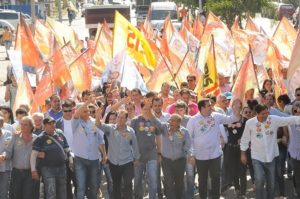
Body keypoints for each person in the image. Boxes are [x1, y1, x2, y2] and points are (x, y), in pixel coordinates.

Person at [240, 104, 300, 199]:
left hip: (271, 157)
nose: (266, 115)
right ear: (256, 114)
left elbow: (289, 120)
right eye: (263, 114)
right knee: (259, 180)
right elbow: (245, 139)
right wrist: (243, 153)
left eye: (267, 112)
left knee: (271, 183)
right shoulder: (250, 123)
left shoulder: (273, 119)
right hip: (257, 157)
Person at [187, 98, 242, 199]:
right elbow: (188, 138)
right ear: (202, 107)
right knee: (202, 179)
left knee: (216, 178)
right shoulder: (193, 120)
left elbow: (232, 119)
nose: (211, 107)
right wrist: (191, 154)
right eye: (209, 105)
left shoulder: (216, 116)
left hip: (215, 154)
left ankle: (216, 197)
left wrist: (237, 109)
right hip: (200, 156)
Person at [96, 110, 140, 199]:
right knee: (116, 185)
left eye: (122, 118)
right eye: (118, 117)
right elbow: (98, 125)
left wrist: (136, 158)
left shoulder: (130, 131)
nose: (119, 119)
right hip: (114, 163)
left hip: (127, 162)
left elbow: (135, 145)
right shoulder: (110, 128)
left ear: (126, 119)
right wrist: (97, 115)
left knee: (128, 184)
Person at [72, 97, 107, 199]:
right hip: (80, 159)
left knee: (94, 186)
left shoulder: (94, 121)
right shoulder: (75, 122)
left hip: (94, 159)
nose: (87, 112)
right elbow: (75, 115)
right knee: (81, 186)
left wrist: (104, 154)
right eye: (84, 111)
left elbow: (100, 139)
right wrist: (87, 102)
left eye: (88, 110)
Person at [31, 117, 72, 199]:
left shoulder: (60, 134)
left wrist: (70, 160)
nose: (52, 125)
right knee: (51, 192)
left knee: (62, 191)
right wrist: (33, 170)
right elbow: (33, 155)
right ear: (44, 125)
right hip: (47, 169)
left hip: (61, 167)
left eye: (53, 123)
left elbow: (67, 148)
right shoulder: (40, 138)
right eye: (49, 124)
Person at [131, 100, 162, 199]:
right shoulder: (135, 121)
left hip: (152, 154)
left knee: (152, 179)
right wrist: (133, 155)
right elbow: (131, 139)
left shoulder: (154, 120)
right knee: (137, 180)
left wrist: (159, 153)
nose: (147, 111)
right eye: (145, 109)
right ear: (141, 109)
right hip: (138, 155)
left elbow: (159, 135)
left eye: (149, 109)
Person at [5, 116, 38, 199]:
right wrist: (4, 156)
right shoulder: (15, 137)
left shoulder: (36, 139)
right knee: (16, 195)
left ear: (31, 126)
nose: (22, 127)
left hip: (30, 173)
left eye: (25, 125)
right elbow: (8, 152)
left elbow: (40, 154)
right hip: (16, 172)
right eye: (21, 124)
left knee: (28, 195)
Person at [160, 114, 191, 199]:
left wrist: (187, 153)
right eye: (170, 120)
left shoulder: (184, 131)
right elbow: (156, 124)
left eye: (173, 120)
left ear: (179, 122)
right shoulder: (164, 128)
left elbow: (188, 144)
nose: (171, 122)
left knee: (179, 183)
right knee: (168, 182)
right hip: (166, 161)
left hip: (180, 161)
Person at [288, 102, 300, 197]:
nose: (298, 112)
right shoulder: (290, 121)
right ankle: (297, 190)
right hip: (294, 154)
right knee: (297, 176)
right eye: (295, 111)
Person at [0, 114, 12, 199]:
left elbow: (10, 149)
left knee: (4, 192)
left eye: (1, 122)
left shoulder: (8, 134)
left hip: (5, 167)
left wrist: (3, 155)